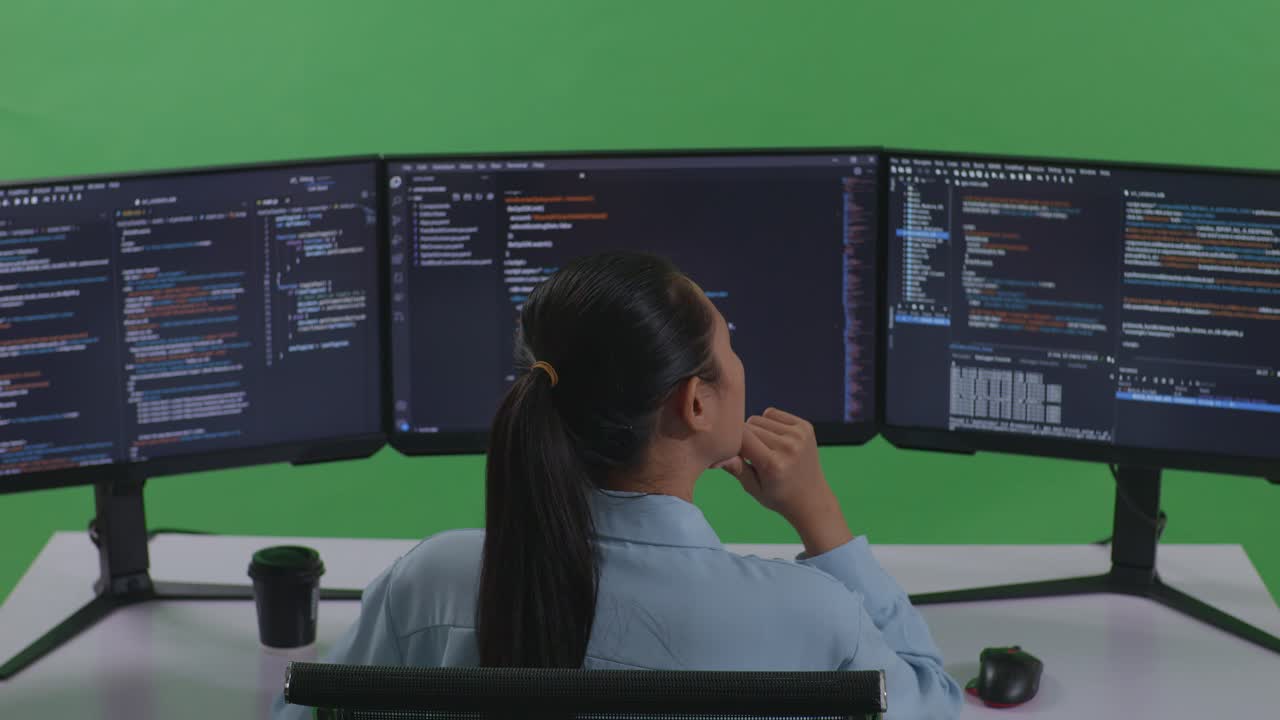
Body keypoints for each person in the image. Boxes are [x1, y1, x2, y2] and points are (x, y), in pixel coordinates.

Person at [274, 251, 962, 719]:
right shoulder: (812, 619)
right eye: (730, 346)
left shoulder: (427, 582)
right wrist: (822, 518)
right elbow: (933, 703)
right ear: (695, 404)